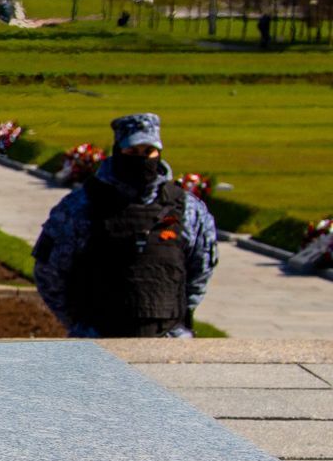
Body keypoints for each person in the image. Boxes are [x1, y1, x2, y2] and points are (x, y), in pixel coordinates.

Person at [34, 113, 218, 338]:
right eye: (132, 152)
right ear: (118, 150)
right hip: (99, 341)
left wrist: (178, 319)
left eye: (147, 152)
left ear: (158, 153)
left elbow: (201, 270)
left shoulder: (188, 209)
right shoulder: (81, 206)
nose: (141, 159)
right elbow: (50, 272)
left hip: (167, 341)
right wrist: (80, 325)